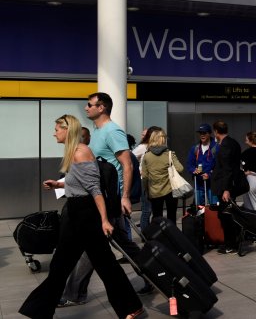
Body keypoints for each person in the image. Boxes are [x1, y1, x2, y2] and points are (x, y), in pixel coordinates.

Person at [19, 115, 143, 319]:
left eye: (57, 129)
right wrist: (59, 184)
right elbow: (79, 181)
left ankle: (131, 307)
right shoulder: (73, 152)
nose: (54, 133)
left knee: (105, 264)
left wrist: (104, 220)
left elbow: (95, 189)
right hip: (75, 213)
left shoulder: (80, 152)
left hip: (87, 216)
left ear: (68, 130)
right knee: (61, 265)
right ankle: (38, 310)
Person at [59, 93, 153, 307]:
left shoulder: (112, 131)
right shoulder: (98, 131)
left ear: (101, 108)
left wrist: (125, 197)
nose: (86, 108)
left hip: (112, 199)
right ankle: (153, 275)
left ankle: (75, 293)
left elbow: (127, 164)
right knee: (112, 245)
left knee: (99, 246)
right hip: (103, 197)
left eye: (90, 105)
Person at [210, 120, 244, 254]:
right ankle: (233, 241)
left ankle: (231, 244)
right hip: (231, 185)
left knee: (225, 215)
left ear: (216, 132)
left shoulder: (225, 146)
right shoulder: (233, 142)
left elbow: (227, 169)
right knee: (228, 214)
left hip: (226, 187)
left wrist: (226, 189)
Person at [142, 129, 184, 224]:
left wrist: (146, 191)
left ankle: (159, 237)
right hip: (170, 191)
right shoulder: (170, 154)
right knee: (171, 216)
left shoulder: (147, 156)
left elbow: (144, 177)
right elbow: (180, 169)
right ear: (163, 140)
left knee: (157, 217)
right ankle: (172, 237)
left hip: (154, 192)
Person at [132, 126, 162, 231]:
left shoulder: (156, 147)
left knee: (153, 209)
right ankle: (145, 234)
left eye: (145, 134)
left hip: (154, 181)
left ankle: (151, 231)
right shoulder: (143, 147)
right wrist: (138, 170)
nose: (143, 136)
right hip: (144, 181)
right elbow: (130, 158)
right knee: (147, 209)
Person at [186, 123, 219, 206]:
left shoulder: (216, 148)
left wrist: (210, 174)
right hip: (199, 184)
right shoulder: (195, 148)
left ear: (209, 133)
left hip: (212, 184)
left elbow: (219, 166)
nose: (202, 135)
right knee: (199, 207)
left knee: (214, 207)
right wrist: (194, 170)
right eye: (200, 133)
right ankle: (201, 219)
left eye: (204, 133)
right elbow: (189, 164)